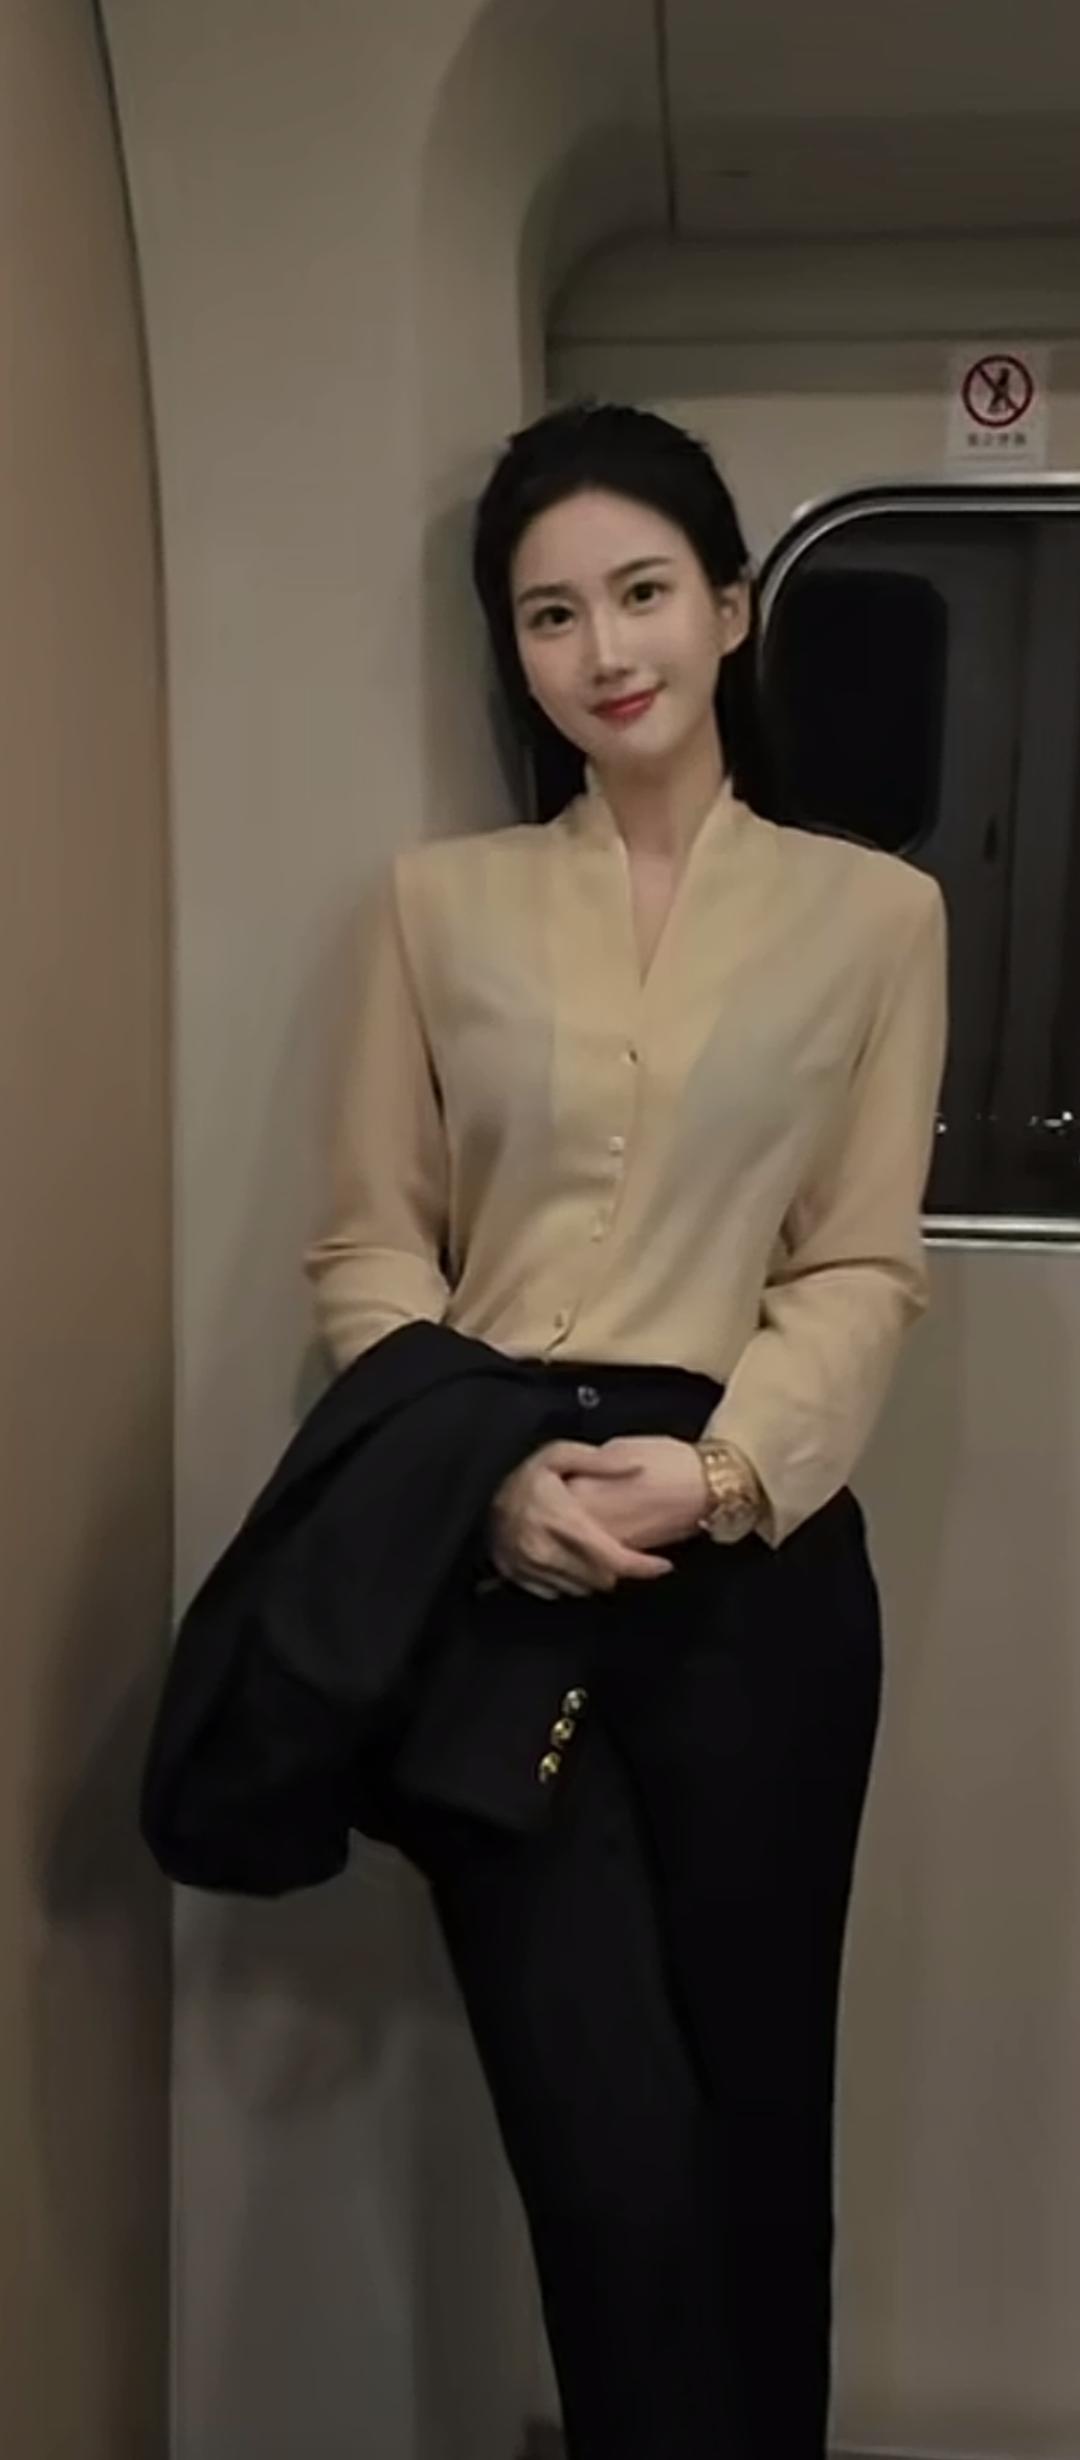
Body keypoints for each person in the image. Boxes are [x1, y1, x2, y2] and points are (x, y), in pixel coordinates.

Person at [302, 401, 948, 2460]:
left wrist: (730, 1469)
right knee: (602, 2167)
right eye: (550, 613)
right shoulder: (435, 907)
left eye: (643, 591)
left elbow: (861, 1262)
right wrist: (484, 1482)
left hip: (757, 1568)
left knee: (757, 2135)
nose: (604, 649)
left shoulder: (877, 918)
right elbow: (370, 1250)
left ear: (732, 609)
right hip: (500, 1553)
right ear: (515, 651)